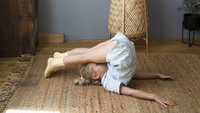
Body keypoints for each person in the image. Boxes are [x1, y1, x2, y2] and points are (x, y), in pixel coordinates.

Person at [44, 32, 176, 107]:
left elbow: (133, 74)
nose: (99, 62)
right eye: (96, 64)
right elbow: (130, 90)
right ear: (96, 76)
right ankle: (56, 62)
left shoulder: (109, 71)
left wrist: (157, 75)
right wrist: (153, 96)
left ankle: (62, 55)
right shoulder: (108, 82)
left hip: (121, 50)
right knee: (86, 55)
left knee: (90, 51)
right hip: (121, 52)